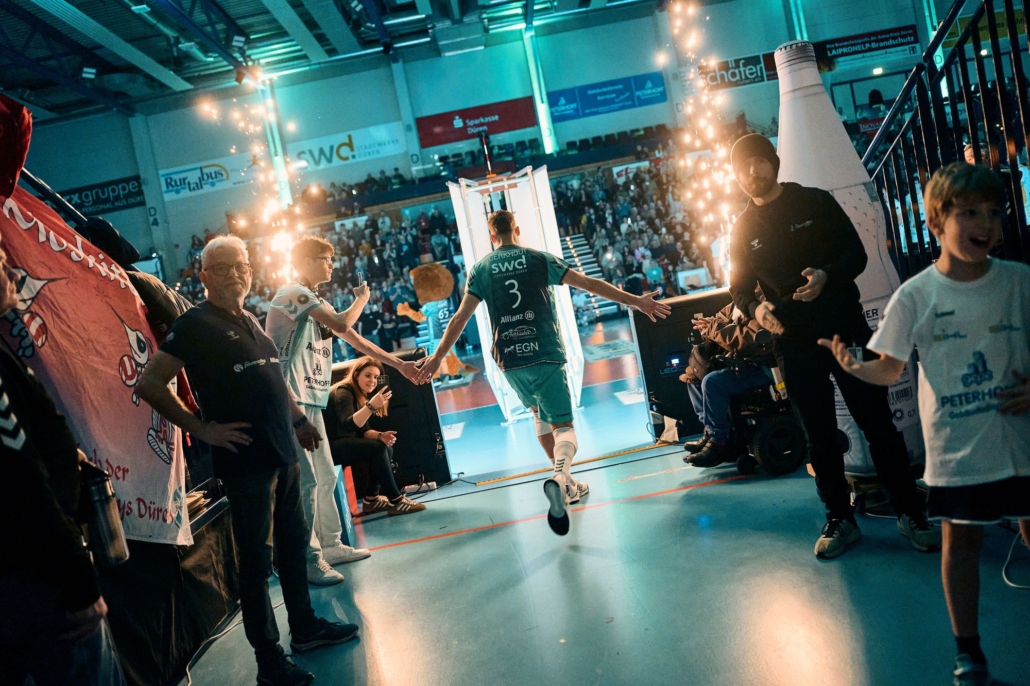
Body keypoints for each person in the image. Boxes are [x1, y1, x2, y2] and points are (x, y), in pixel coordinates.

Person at [819, 163, 1030, 686]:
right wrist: (855, 367)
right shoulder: (915, 295)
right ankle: (968, 654)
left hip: (1022, 444)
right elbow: (889, 367)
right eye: (969, 213)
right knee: (962, 547)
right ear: (936, 221)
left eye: (994, 212)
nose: (986, 224)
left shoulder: (1020, 282)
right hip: (958, 452)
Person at [137, 236, 358, 686]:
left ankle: (305, 629)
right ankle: (269, 661)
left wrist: (299, 420)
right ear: (203, 276)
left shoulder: (252, 320)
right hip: (246, 464)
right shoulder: (193, 324)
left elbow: (275, 379)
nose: (234, 274)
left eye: (240, 266)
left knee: (294, 550)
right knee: (256, 565)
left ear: (250, 271)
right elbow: (150, 383)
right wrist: (201, 429)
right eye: (222, 268)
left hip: (283, 453)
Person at [728, 133, 941, 559]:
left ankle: (909, 511)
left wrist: (827, 276)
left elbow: (857, 256)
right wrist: (756, 310)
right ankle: (840, 519)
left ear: (773, 161)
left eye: (758, 161)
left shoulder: (815, 201)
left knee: (878, 423)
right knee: (818, 436)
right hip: (793, 343)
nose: (752, 171)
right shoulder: (742, 228)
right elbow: (739, 289)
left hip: (845, 329)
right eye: (742, 166)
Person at [420, 210, 670, 535]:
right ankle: (560, 475)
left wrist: (437, 358)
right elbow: (589, 284)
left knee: (538, 414)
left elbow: (459, 319)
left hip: (509, 359)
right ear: (517, 229)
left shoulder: (481, 269)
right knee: (564, 427)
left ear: (491, 236)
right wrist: (635, 301)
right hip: (544, 351)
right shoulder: (539, 259)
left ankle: (567, 485)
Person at [265, 235, 425, 586]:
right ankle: (308, 559)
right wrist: (362, 300)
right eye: (326, 258)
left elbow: (357, 340)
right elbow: (342, 324)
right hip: (289, 400)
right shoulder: (292, 293)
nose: (332, 265)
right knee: (307, 482)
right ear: (306, 261)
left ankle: (331, 545)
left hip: (312, 398)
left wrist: (398, 364)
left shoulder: (316, 300)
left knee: (326, 476)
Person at [0, 248, 126, 686]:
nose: (13, 273)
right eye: (0, 265)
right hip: (36, 578)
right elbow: (21, 482)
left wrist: (61, 451)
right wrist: (77, 581)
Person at [325, 357, 427, 516]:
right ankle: (396, 500)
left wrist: (381, 436)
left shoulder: (359, 394)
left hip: (341, 443)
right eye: (368, 375)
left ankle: (371, 500)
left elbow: (364, 431)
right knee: (377, 448)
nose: (372, 381)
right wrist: (371, 406)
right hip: (328, 448)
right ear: (356, 375)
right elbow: (349, 425)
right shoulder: (344, 392)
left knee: (385, 447)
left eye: (375, 377)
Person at [679, 302, 773, 467]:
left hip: (763, 366)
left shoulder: (764, 300)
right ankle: (711, 431)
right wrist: (708, 325)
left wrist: (714, 329)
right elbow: (720, 318)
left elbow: (749, 340)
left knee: (713, 382)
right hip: (740, 361)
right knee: (693, 377)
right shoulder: (740, 299)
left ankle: (719, 440)